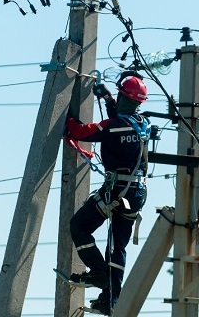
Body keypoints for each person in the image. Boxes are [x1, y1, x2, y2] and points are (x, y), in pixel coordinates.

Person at [64, 72, 150, 316]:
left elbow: (81, 132)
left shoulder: (112, 126)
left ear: (124, 97)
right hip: (136, 193)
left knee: (79, 226)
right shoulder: (144, 125)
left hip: (116, 192)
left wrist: (65, 119)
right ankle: (111, 299)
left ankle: (99, 273)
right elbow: (124, 121)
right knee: (117, 247)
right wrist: (109, 98)